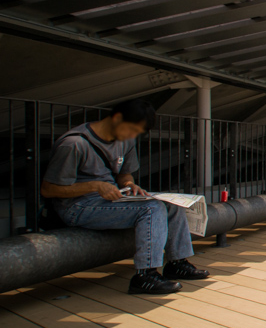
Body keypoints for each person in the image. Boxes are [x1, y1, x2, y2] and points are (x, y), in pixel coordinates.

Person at [40, 99, 209, 295]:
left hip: (110, 200)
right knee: (151, 209)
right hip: (77, 206)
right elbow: (48, 189)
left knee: (172, 205)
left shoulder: (125, 141)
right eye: (132, 129)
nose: (132, 136)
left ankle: (177, 263)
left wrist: (129, 185)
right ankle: (145, 275)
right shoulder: (74, 144)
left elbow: (124, 175)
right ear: (117, 118)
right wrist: (94, 186)